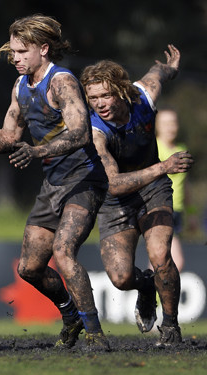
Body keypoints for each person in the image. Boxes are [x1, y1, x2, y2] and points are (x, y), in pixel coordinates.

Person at [0, 14, 109, 350]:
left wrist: (37, 152)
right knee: (29, 268)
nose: (15, 58)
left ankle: (96, 334)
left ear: (44, 49)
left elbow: (81, 134)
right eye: (12, 52)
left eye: (22, 52)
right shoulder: (20, 87)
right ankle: (70, 316)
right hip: (54, 184)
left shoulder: (62, 82)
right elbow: (8, 136)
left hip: (85, 178)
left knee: (63, 253)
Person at [80, 45, 192, 347]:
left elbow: (158, 73)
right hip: (116, 199)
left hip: (154, 190)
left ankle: (170, 328)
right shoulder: (95, 131)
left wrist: (172, 67)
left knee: (160, 256)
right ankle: (145, 288)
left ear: (121, 90)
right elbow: (114, 184)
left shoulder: (143, 96)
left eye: (106, 95)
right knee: (120, 278)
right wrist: (164, 166)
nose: (100, 104)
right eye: (93, 98)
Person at [155, 108, 188, 271]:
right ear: (157, 126)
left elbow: (185, 183)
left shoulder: (182, 148)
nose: (171, 128)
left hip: (178, 212)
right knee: (175, 262)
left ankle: (152, 295)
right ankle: (158, 296)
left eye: (173, 123)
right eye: (166, 124)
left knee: (160, 261)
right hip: (160, 210)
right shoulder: (154, 148)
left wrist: (193, 213)